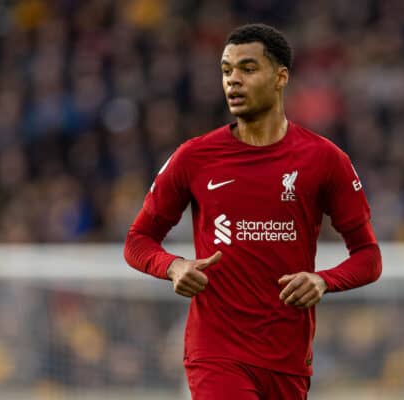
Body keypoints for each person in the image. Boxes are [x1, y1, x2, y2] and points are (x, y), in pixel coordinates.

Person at [124, 23, 382, 400]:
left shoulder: (324, 160)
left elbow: (368, 257)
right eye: (226, 71)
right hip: (216, 354)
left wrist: (324, 280)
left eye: (247, 69)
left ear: (281, 77)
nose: (233, 81)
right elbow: (137, 240)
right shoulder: (194, 157)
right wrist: (174, 266)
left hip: (287, 358)